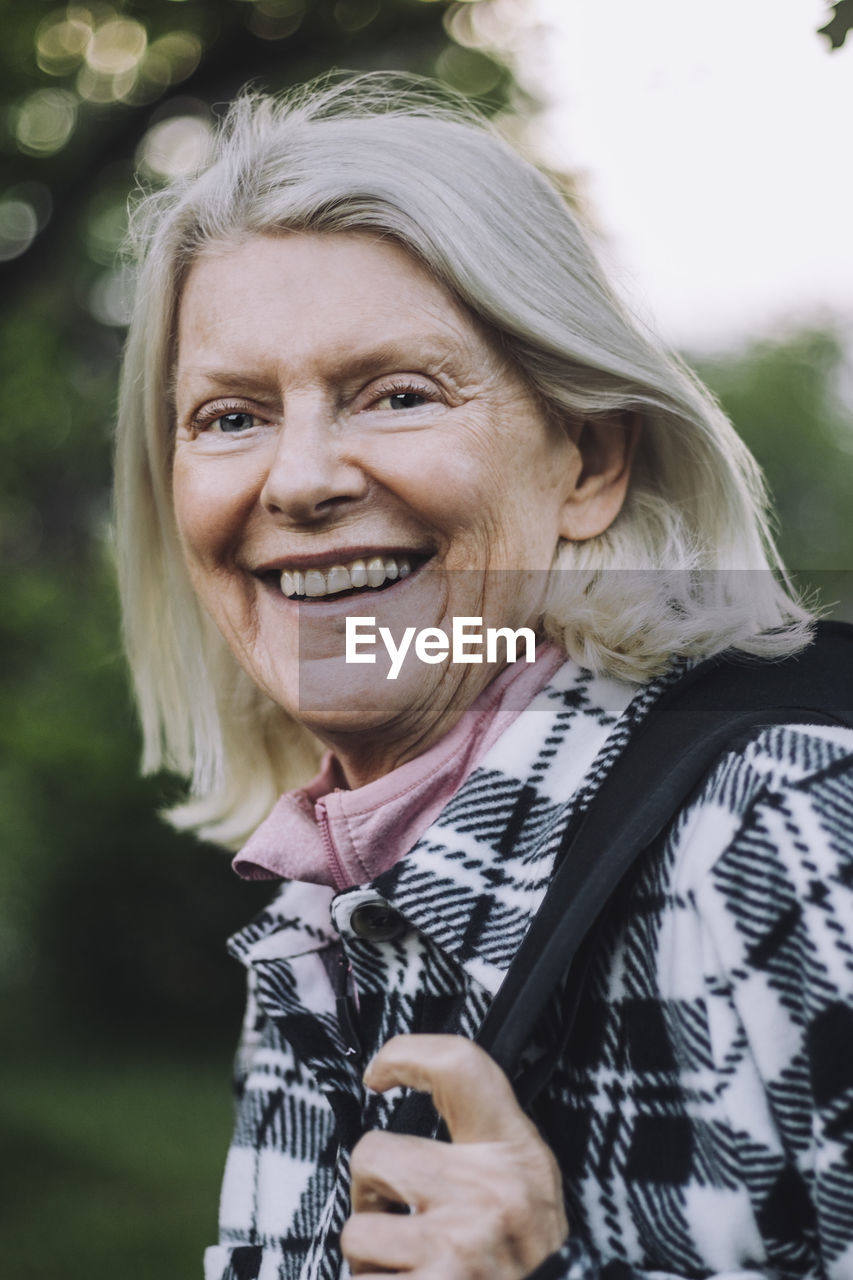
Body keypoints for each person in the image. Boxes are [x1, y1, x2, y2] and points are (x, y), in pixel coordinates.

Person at [114, 73, 853, 1280]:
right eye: (231, 415)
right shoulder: (316, 924)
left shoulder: (789, 833)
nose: (298, 481)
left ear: (589, 463)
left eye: (396, 394)